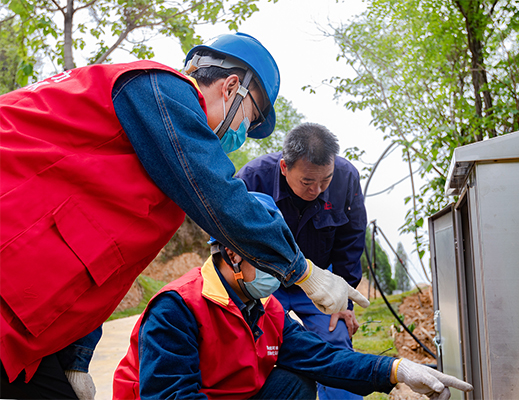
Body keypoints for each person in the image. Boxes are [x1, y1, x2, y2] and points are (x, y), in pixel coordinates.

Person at [0, 33, 368, 398]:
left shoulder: (163, 178)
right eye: (250, 119)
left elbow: (106, 269)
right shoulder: (158, 88)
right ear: (231, 88)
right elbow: (223, 198)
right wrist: (302, 270)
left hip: (27, 321)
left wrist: (76, 355)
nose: (242, 134)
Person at [113, 192, 473, 400]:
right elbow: (170, 397)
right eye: (271, 258)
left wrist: (396, 370)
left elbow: (324, 359)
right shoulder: (179, 308)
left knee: (295, 382)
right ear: (234, 252)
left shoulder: (267, 308)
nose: (281, 273)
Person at [236, 122, 366, 399]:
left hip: (320, 280)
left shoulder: (346, 177)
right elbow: (228, 241)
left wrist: (344, 301)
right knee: (257, 350)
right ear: (285, 167)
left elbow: (351, 240)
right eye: (307, 181)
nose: (317, 189)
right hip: (264, 281)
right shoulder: (252, 179)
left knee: (336, 344)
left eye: (325, 180)